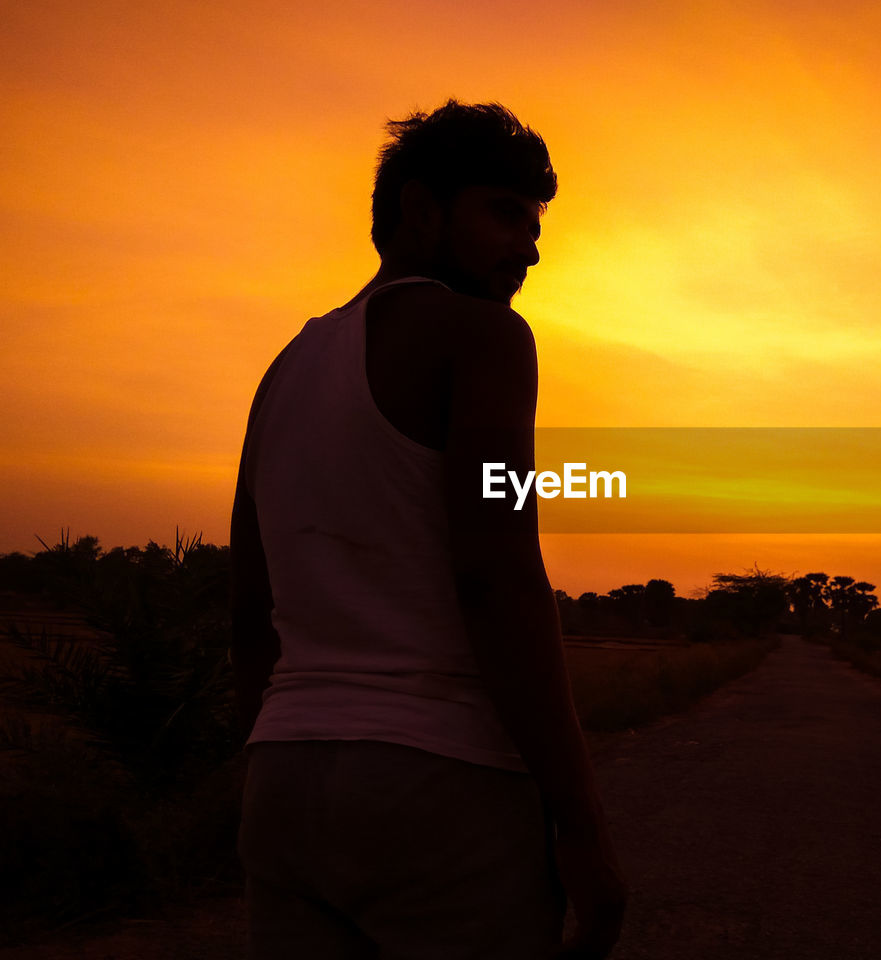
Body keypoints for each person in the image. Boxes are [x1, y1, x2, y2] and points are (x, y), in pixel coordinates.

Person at [230, 100, 626, 960]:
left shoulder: (286, 368)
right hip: (438, 784)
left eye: (536, 223)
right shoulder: (484, 338)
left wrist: (266, 765)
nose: (529, 247)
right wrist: (583, 826)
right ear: (419, 209)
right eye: (504, 212)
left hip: (284, 780)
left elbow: (251, 600)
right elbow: (500, 578)